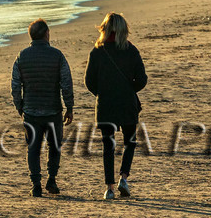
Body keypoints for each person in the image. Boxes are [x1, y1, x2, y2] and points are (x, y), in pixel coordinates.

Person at [84, 12, 147, 201]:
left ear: (104, 28)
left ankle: (109, 188)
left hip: (106, 105)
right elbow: (142, 80)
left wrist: (102, 93)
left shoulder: (97, 51)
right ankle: (124, 178)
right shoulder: (131, 50)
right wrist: (129, 90)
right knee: (130, 142)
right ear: (123, 30)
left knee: (108, 145)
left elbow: (89, 81)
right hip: (127, 103)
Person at [11, 19, 73, 198]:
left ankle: (36, 184)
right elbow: (66, 83)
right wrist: (69, 106)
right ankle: (51, 180)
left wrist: (20, 106)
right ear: (47, 34)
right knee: (54, 146)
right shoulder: (57, 55)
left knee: (33, 148)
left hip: (30, 111)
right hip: (53, 110)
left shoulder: (22, 56)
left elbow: (15, 85)